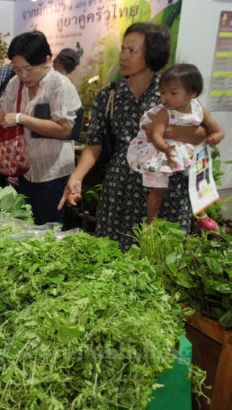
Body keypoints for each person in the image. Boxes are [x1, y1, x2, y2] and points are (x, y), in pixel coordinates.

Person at [58, 22, 209, 251]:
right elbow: (94, 145)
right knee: (113, 254)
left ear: (152, 54)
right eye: (123, 49)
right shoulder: (109, 95)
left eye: (132, 51)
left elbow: (202, 132)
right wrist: (77, 176)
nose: (123, 56)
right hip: (120, 188)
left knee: (159, 253)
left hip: (165, 186)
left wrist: (164, 132)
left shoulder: (172, 91)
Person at [0, 31, 82, 226]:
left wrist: (22, 118)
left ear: (47, 60)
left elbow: (65, 129)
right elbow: (2, 116)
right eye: (17, 69)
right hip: (24, 170)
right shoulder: (15, 83)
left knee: (49, 229)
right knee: (25, 225)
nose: (23, 75)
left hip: (53, 173)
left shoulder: (59, 86)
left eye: (29, 69)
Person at [126, 63, 224, 227]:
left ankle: (201, 214)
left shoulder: (199, 109)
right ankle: (151, 221)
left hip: (188, 153)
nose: (166, 98)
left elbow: (218, 130)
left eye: (173, 93)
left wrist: (215, 137)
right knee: (158, 188)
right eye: (163, 92)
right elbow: (155, 134)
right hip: (162, 153)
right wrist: (165, 148)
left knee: (197, 180)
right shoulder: (164, 112)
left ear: (192, 93)